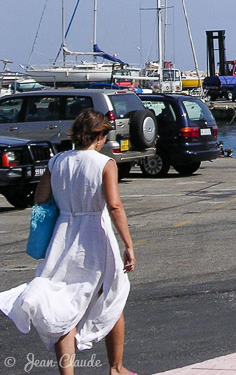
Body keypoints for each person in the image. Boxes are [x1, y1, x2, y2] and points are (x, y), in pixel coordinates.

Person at [0, 109, 136, 375]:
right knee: (112, 295)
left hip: (63, 237)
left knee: (63, 303)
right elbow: (115, 206)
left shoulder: (57, 161)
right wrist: (128, 245)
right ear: (98, 136)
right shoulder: (104, 163)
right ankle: (116, 368)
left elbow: (40, 197)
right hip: (95, 238)